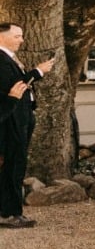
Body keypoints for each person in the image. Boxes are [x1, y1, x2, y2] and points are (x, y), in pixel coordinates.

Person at [0, 23, 53, 229]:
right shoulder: (2, 60)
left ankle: (10, 210)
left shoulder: (9, 59)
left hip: (20, 117)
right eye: (17, 36)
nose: (21, 40)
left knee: (16, 164)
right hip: (11, 121)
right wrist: (37, 72)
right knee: (13, 166)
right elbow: (13, 86)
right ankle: (10, 212)